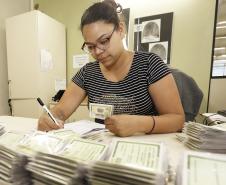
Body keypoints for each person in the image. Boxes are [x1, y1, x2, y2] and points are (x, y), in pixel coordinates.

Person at [38, 0, 185, 137]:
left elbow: (177, 120)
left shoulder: (150, 64)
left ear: (120, 30)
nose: (97, 52)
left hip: (144, 147)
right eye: (90, 47)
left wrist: (139, 124)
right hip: (103, 149)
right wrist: (49, 118)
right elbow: (60, 112)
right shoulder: (87, 73)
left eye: (103, 41)